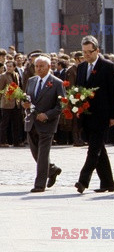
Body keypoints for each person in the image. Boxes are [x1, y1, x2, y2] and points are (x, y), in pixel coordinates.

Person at [74, 36, 114, 194]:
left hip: (102, 116)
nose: (86, 55)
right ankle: (108, 183)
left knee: (93, 150)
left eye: (89, 52)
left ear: (97, 51)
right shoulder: (80, 68)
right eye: (84, 52)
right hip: (86, 115)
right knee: (99, 149)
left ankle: (83, 180)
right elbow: (77, 91)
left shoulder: (107, 66)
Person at [23, 56, 65, 192]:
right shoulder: (31, 81)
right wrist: (24, 103)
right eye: (37, 66)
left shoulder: (57, 83)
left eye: (42, 66)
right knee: (35, 153)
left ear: (49, 67)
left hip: (47, 123)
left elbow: (61, 105)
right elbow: (26, 97)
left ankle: (39, 184)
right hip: (32, 122)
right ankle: (52, 170)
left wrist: (47, 115)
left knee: (43, 155)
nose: (39, 69)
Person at [0, 61, 24, 147]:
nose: (8, 68)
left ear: (14, 67)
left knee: (16, 123)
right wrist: (6, 94)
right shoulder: (3, 76)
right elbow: (0, 89)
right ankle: (2, 141)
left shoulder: (16, 75)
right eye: (7, 66)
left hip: (16, 103)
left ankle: (16, 141)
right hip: (6, 103)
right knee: (4, 124)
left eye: (10, 66)